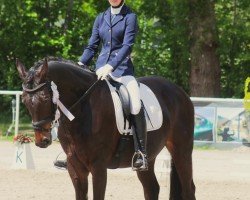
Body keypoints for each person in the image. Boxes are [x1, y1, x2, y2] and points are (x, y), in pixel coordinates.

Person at [54, 0, 148, 171]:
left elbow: (127, 46)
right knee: (77, 100)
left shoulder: (130, 17)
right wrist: (80, 64)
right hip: (99, 71)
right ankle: (71, 151)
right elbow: (92, 46)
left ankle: (140, 152)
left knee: (135, 103)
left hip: (122, 71)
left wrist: (111, 65)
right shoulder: (100, 18)